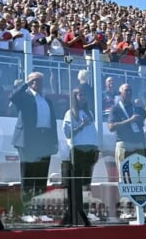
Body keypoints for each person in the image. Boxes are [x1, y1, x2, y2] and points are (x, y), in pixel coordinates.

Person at [9, 72, 58, 200]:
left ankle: (39, 210)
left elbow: (52, 123)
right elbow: (13, 97)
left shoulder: (47, 99)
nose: (37, 83)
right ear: (29, 82)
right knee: (28, 176)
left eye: (40, 81)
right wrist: (26, 84)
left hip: (45, 141)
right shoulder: (24, 96)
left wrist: (54, 142)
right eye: (34, 81)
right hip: (28, 141)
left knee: (41, 177)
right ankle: (27, 209)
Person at [62, 87, 99, 188]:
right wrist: (81, 125)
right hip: (79, 148)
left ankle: (86, 198)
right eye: (80, 95)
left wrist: (96, 147)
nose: (83, 97)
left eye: (84, 95)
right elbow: (68, 134)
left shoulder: (90, 113)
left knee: (87, 178)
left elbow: (93, 132)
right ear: (75, 97)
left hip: (91, 147)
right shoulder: (70, 113)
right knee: (78, 178)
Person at [107, 83, 146, 175]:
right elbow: (111, 127)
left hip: (138, 143)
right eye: (126, 91)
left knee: (139, 174)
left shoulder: (136, 107)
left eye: (130, 91)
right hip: (124, 143)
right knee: (124, 174)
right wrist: (130, 120)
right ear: (120, 92)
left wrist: (142, 105)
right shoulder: (115, 108)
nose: (128, 93)